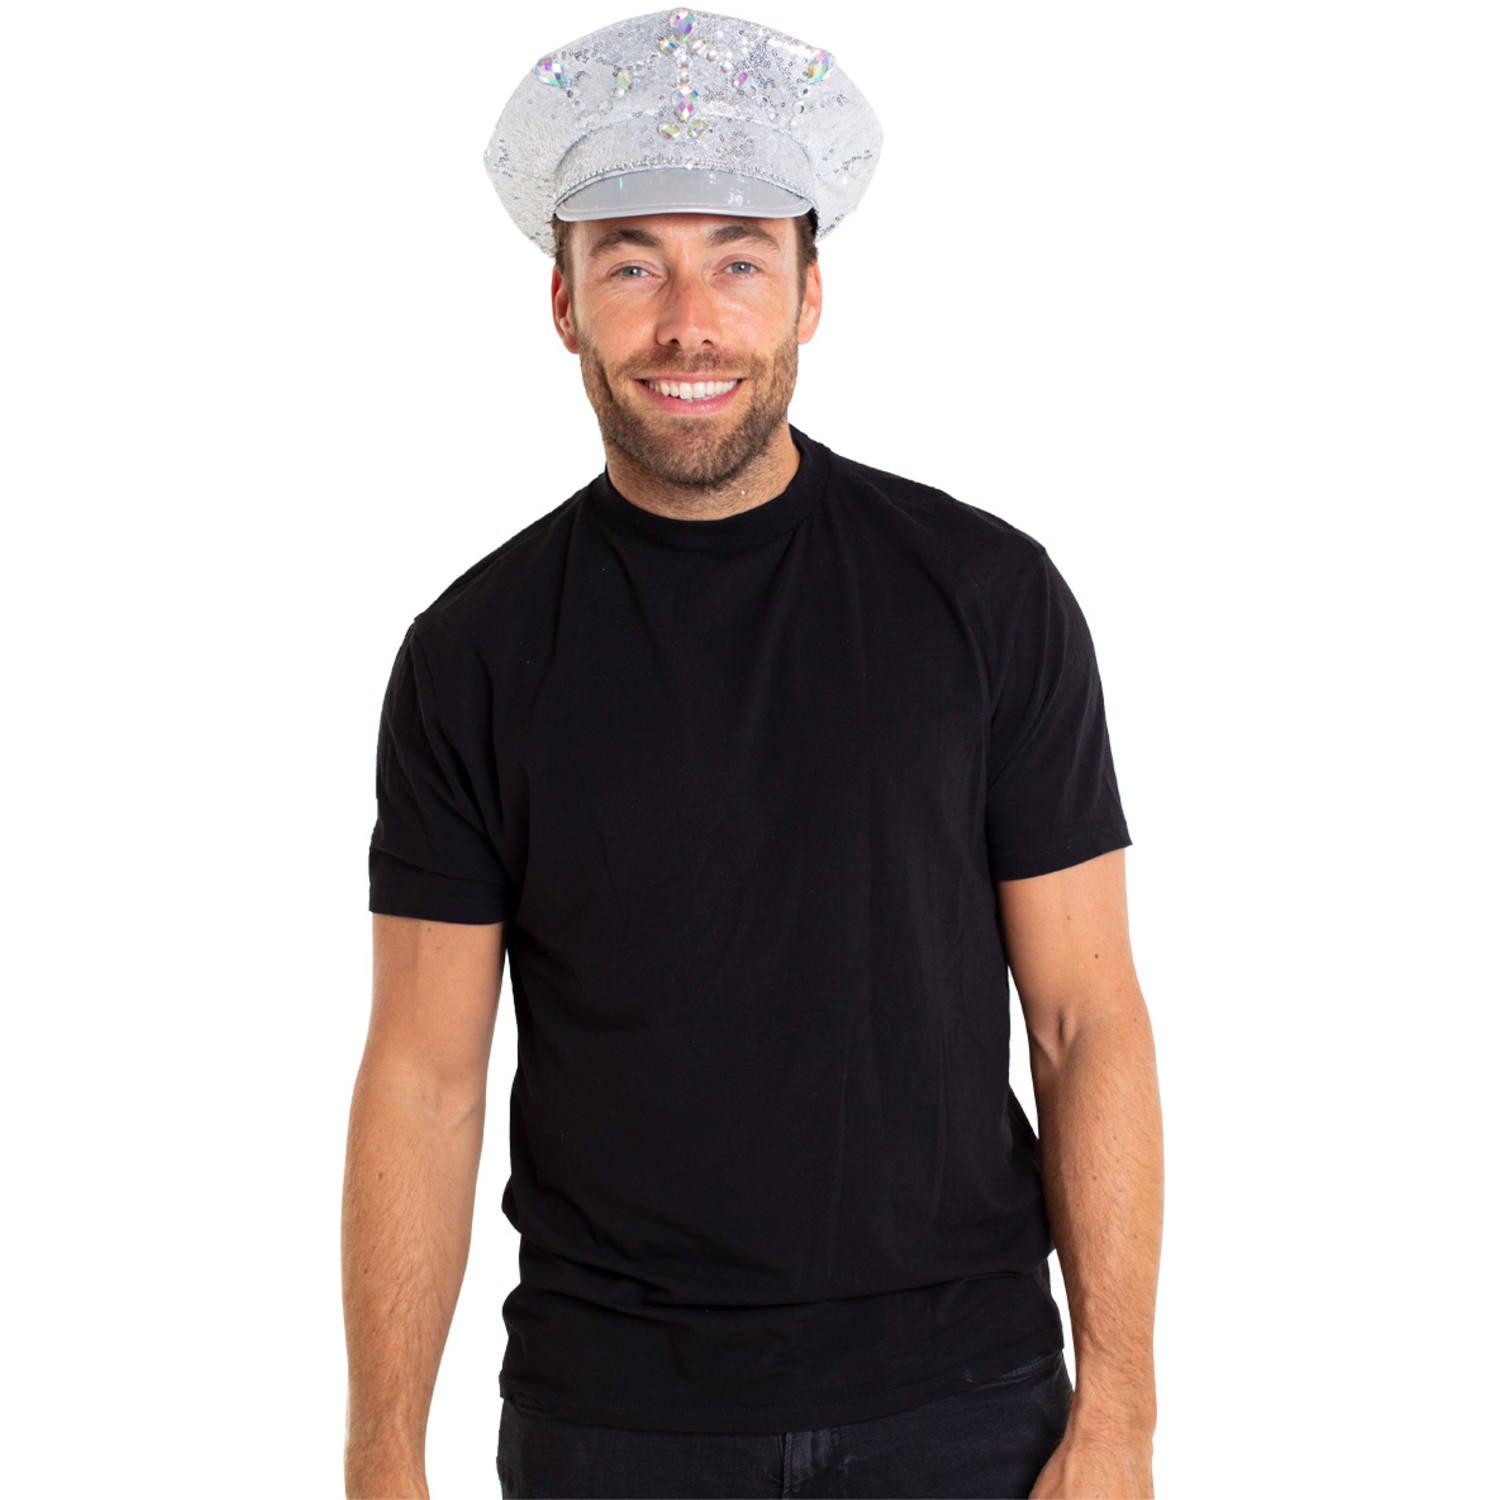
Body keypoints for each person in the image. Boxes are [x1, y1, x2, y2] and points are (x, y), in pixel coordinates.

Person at [341, 9, 1163, 1498]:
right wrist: (381, 1454)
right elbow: (424, 1077)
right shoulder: (473, 655)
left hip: (965, 1408)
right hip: (613, 1423)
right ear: (563, 303)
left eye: (737, 261)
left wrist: (1119, 1415)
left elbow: (1084, 1019)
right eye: (631, 264)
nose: (688, 324)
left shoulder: (985, 598)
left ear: (809, 293)